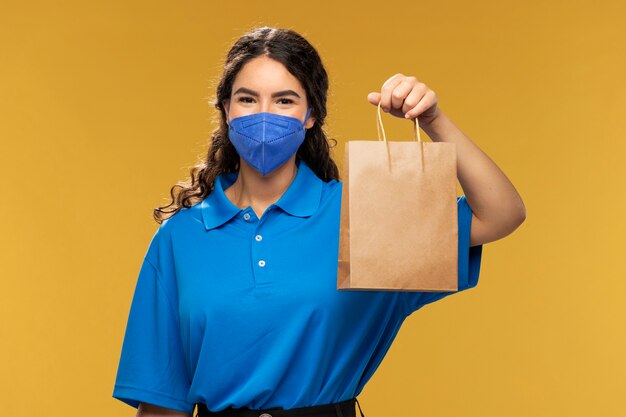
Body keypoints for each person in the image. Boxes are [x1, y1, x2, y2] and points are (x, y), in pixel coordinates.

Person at [112, 27, 526, 417]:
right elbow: (159, 402)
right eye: (248, 98)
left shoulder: (366, 213)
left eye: (285, 100)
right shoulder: (180, 237)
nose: (264, 113)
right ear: (225, 109)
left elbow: (501, 214)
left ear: (311, 114)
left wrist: (434, 120)